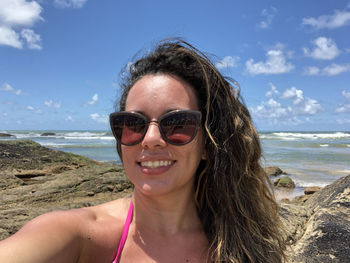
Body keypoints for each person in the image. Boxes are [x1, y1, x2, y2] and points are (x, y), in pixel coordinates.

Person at [0, 39, 286, 262]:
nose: (150, 139)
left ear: (208, 146)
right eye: (132, 124)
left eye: (177, 123)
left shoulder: (240, 244)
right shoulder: (81, 236)